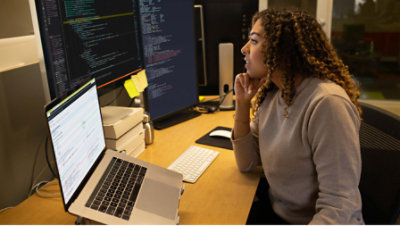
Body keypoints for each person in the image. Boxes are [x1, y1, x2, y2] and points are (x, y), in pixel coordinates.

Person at [231, 8, 364, 224]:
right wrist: (243, 103)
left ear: (281, 51)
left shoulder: (327, 104)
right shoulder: (274, 93)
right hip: (278, 214)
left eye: (254, 42)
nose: (244, 49)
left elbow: (340, 206)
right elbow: (247, 163)